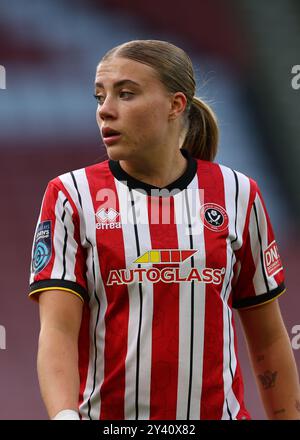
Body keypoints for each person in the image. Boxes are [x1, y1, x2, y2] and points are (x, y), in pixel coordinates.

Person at [29, 39, 300, 420]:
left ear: (175, 105)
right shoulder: (70, 195)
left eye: (126, 94)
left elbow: (269, 339)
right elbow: (56, 332)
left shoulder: (238, 193)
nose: (105, 111)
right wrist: (63, 415)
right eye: (99, 97)